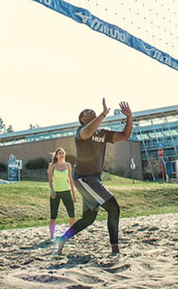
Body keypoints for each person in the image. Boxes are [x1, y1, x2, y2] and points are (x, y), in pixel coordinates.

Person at [54, 99, 133, 255]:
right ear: (82, 118)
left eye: (91, 110)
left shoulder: (102, 133)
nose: (90, 110)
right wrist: (103, 114)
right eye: (86, 111)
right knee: (113, 208)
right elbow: (87, 133)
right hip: (84, 178)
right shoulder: (80, 131)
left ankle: (62, 239)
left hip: (94, 179)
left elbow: (125, 135)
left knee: (89, 218)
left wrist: (129, 117)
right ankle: (115, 250)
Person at [47, 147, 76, 239]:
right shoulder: (52, 166)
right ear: (56, 155)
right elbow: (50, 180)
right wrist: (52, 191)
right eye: (59, 153)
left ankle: (71, 233)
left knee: (72, 214)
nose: (61, 154)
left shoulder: (68, 165)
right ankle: (51, 235)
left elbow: (70, 180)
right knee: (53, 215)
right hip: (56, 193)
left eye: (63, 153)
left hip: (66, 191)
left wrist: (73, 194)